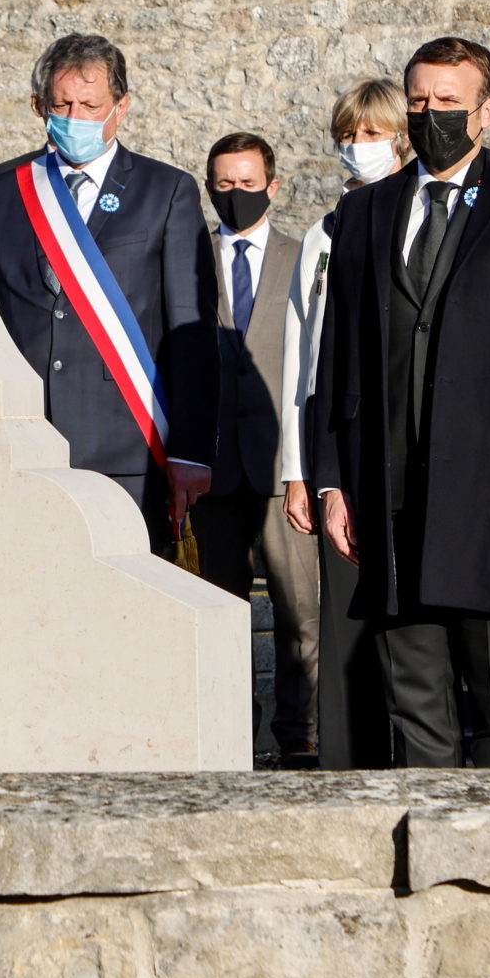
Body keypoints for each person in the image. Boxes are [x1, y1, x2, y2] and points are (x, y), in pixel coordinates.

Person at [312, 37, 490, 768]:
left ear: (487, 111)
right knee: (415, 704)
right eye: (419, 101)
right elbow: (336, 356)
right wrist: (333, 476)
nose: (430, 114)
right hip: (390, 492)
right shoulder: (365, 214)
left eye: (448, 102)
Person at [0, 33, 214, 547]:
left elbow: (190, 328)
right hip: (24, 442)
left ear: (120, 108)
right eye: (62, 105)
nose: (75, 116)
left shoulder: (166, 190)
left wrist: (190, 451)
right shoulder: (1, 189)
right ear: (39, 106)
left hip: (128, 445)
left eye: (90, 105)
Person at [281, 78, 406, 770]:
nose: (358, 147)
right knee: (344, 613)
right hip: (335, 444)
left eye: (372, 134)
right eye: (349, 135)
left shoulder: (418, 217)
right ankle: (349, 762)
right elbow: (302, 351)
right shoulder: (323, 234)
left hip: (403, 435)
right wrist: (299, 468)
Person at [188, 131, 322, 767]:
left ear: (273, 185)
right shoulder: (187, 262)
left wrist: (309, 470)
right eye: (223, 184)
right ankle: (232, 732)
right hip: (213, 470)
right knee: (220, 611)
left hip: (281, 468)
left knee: (302, 614)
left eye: (247, 183)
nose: (234, 195)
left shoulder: (306, 258)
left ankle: (301, 733)